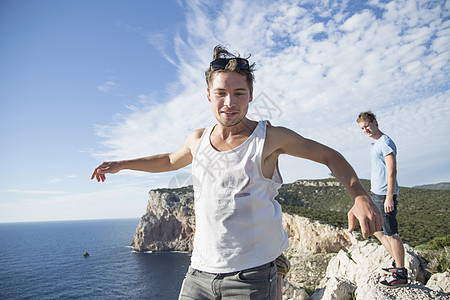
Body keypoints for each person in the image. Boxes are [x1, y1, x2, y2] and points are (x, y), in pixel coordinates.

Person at [92, 45, 382, 299]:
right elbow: (169, 160)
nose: (229, 103)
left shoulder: (269, 138)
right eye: (221, 93)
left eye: (238, 93)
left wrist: (359, 196)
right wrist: (122, 164)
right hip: (199, 274)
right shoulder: (198, 139)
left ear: (251, 95)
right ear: (208, 95)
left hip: (252, 278)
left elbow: (330, 156)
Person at [357, 111, 408, 288]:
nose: (365, 130)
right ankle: (396, 261)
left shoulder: (385, 142)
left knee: (392, 233)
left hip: (386, 195)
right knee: (376, 229)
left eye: (367, 126)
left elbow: (392, 170)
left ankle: (401, 273)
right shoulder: (376, 143)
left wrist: (389, 198)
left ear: (375, 122)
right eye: (362, 128)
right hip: (376, 193)